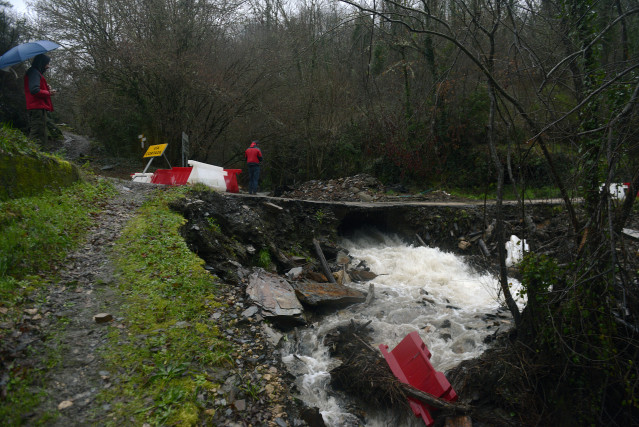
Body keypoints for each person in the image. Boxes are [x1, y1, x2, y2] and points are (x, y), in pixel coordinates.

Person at [24, 54, 56, 147]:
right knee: (37, 133)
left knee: (41, 132)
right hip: (36, 107)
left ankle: (40, 155)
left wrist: (46, 88)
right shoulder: (34, 72)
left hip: (37, 106)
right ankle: (33, 155)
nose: (48, 66)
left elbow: (36, 88)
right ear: (42, 63)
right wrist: (49, 93)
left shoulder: (35, 72)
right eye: (47, 63)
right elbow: (34, 90)